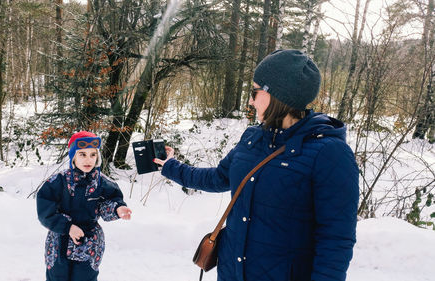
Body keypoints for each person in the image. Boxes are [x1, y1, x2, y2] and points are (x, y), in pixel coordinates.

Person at [154, 49, 359, 281]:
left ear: (278, 95)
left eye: (255, 91)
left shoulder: (329, 153)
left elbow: (336, 239)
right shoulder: (252, 139)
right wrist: (171, 166)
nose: (250, 100)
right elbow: (217, 178)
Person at [37, 131, 132, 281]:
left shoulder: (102, 182)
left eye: (92, 155)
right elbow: (45, 212)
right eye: (82, 154)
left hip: (89, 244)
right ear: (73, 156)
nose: (88, 159)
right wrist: (67, 227)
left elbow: (107, 203)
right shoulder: (58, 181)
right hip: (59, 243)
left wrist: (117, 209)